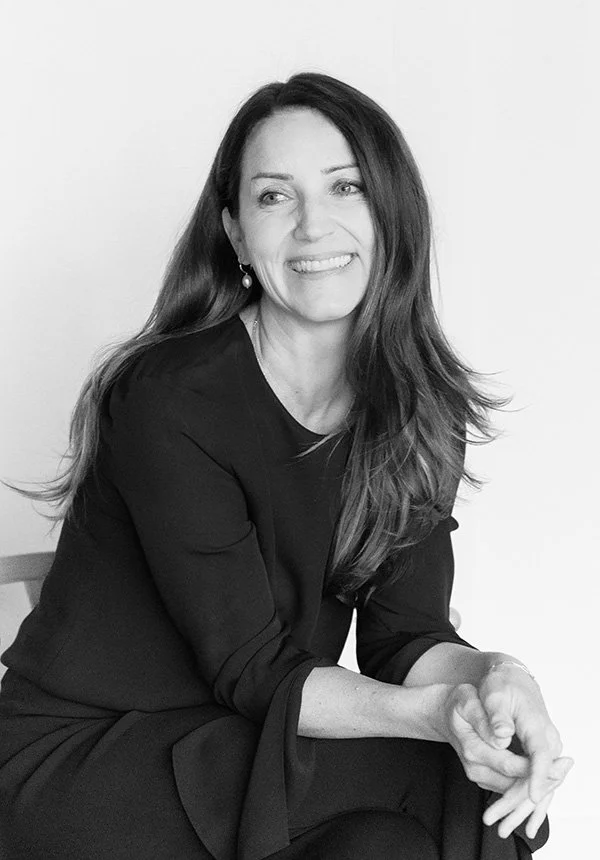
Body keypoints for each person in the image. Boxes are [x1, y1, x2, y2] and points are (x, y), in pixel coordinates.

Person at [0, 72, 572, 860]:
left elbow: (406, 640)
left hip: (248, 747)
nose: (313, 225)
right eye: (275, 196)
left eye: (346, 187)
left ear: (390, 214)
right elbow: (254, 668)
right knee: (458, 787)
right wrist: (440, 718)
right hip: (89, 763)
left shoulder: (413, 412)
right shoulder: (171, 399)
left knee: (399, 839)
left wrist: (500, 678)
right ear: (235, 233)